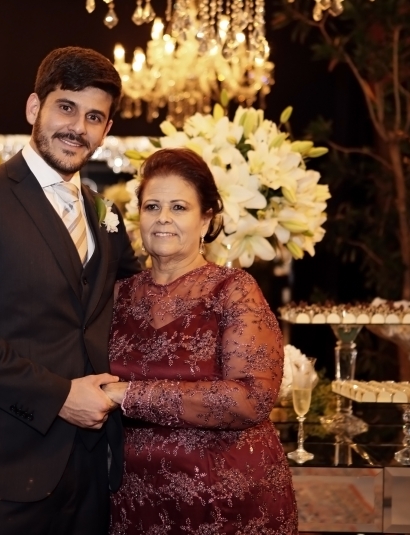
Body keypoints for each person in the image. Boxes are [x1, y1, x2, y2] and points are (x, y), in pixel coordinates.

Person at [0, 46, 141, 535]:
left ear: (106, 129)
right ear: (34, 107)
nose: (78, 127)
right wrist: (59, 396)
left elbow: (139, 309)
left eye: (94, 117)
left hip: (88, 474)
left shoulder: (105, 214)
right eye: (66, 107)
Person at [101, 148, 298, 534]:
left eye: (179, 207)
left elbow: (251, 399)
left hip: (229, 505)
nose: (163, 218)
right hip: (135, 504)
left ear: (206, 219)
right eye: (152, 206)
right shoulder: (118, 295)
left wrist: (128, 394)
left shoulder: (234, 290)